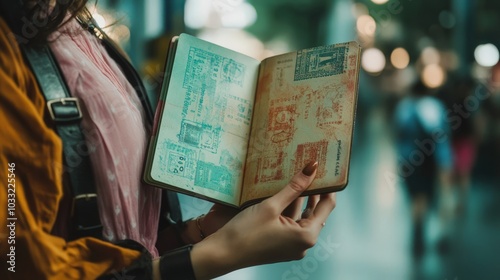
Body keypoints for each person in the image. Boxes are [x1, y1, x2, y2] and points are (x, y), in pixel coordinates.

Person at [0, 1, 336, 279]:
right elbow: (16, 261)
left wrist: (200, 233)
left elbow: (129, 234)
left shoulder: (83, 29)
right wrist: (222, 254)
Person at [393, 80, 454, 258]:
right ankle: (441, 234)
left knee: (416, 198)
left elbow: (398, 134)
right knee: (441, 196)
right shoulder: (435, 107)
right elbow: (443, 136)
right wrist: (446, 162)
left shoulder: (404, 108)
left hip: (410, 160)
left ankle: (418, 233)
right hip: (435, 161)